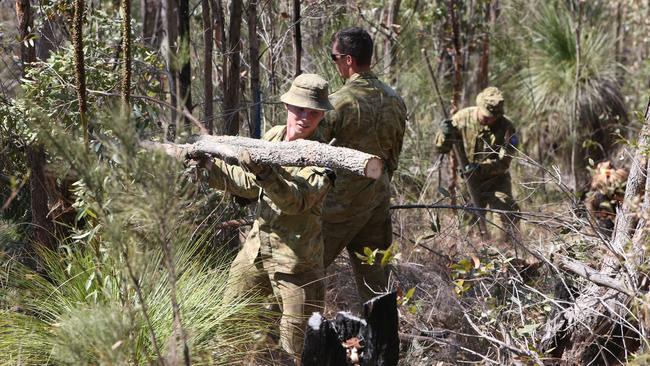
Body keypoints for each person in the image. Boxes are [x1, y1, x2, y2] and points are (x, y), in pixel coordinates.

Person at [201, 74, 334, 362]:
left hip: (297, 265)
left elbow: (296, 202)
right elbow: (247, 183)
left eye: (313, 112)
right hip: (256, 253)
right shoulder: (273, 136)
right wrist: (209, 169)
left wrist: (265, 174)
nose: (305, 117)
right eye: (300, 109)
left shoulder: (325, 154)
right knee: (232, 330)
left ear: (322, 114)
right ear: (288, 105)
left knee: (296, 349)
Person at [319, 27, 407, 304]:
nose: (334, 63)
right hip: (376, 202)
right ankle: (383, 344)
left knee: (304, 272)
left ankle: (288, 343)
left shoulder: (338, 102)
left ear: (347, 60)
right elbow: (393, 158)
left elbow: (312, 153)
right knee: (377, 287)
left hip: (336, 208)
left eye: (334, 57)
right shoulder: (395, 100)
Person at [434, 86, 520, 241]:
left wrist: (480, 167)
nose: (489, 120)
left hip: (496, 179)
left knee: (506, 212)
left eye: (493, 117)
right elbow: (441, 148)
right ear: (479, 107)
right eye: (486, 115)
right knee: (468, 224)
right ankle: (477, 254)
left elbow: (504, 163)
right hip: (468, 180)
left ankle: (508, 253)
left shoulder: (507, 128)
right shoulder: (461, 119)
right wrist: (444, 135)